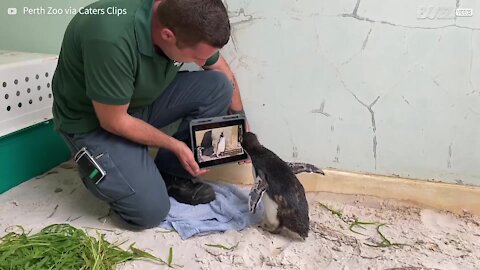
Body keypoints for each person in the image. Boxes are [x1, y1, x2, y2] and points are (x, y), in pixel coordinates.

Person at [51, 0, 247, 230]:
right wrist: (174, 144)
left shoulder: (183, 17)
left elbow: (220, 68)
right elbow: (113, 120)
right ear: (167, 35)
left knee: (219, 85)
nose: (202, 63)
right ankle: (115, 169)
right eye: (196, 57)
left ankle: (171, 175)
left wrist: (240, 120)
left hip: (137, 102)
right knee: (149, 212)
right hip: (96, 123)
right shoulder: (109, 38)